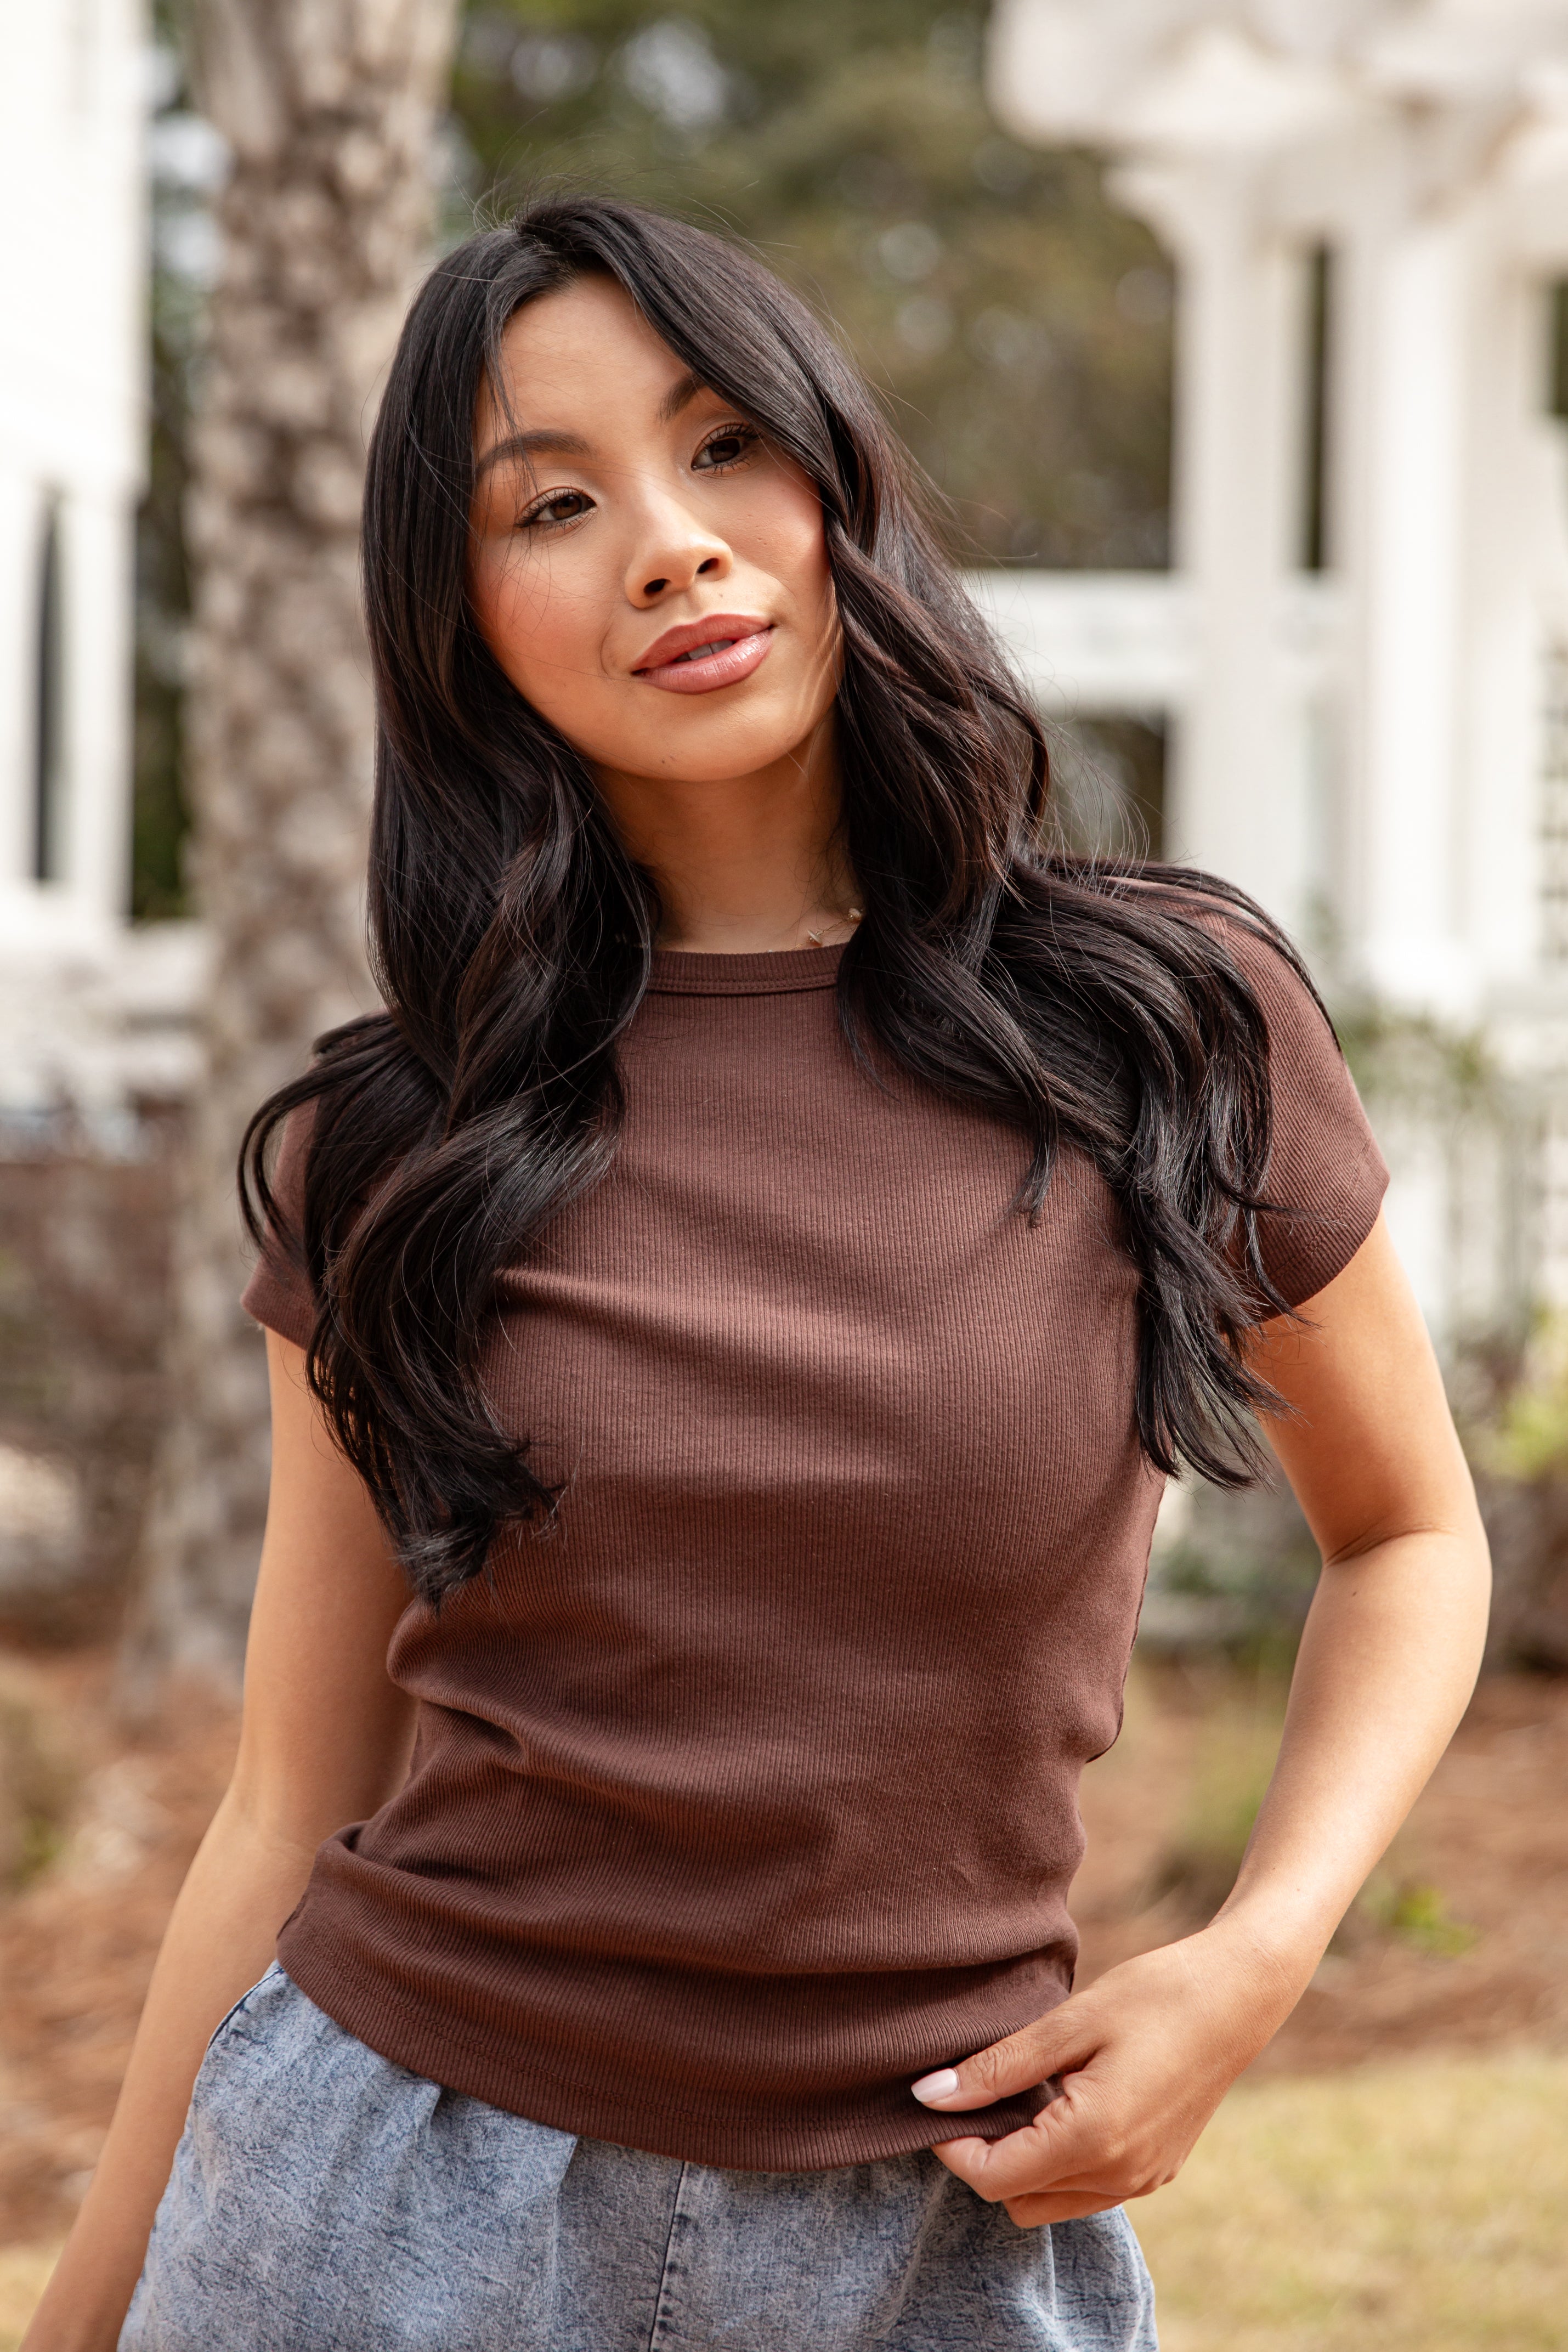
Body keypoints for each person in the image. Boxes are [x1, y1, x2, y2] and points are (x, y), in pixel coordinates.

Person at [26, 195, 1489, 2352]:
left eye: (723, 450)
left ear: (833, 491)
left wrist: (1255, 1955)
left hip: (949, 2235)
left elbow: (1411, 1532)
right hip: (393, 2216)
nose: (669, 545)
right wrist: (77, 2316)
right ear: (463, 617)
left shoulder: (1165, 1021)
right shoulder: (398, 1148)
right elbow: (291, 1795)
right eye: (553, 502)